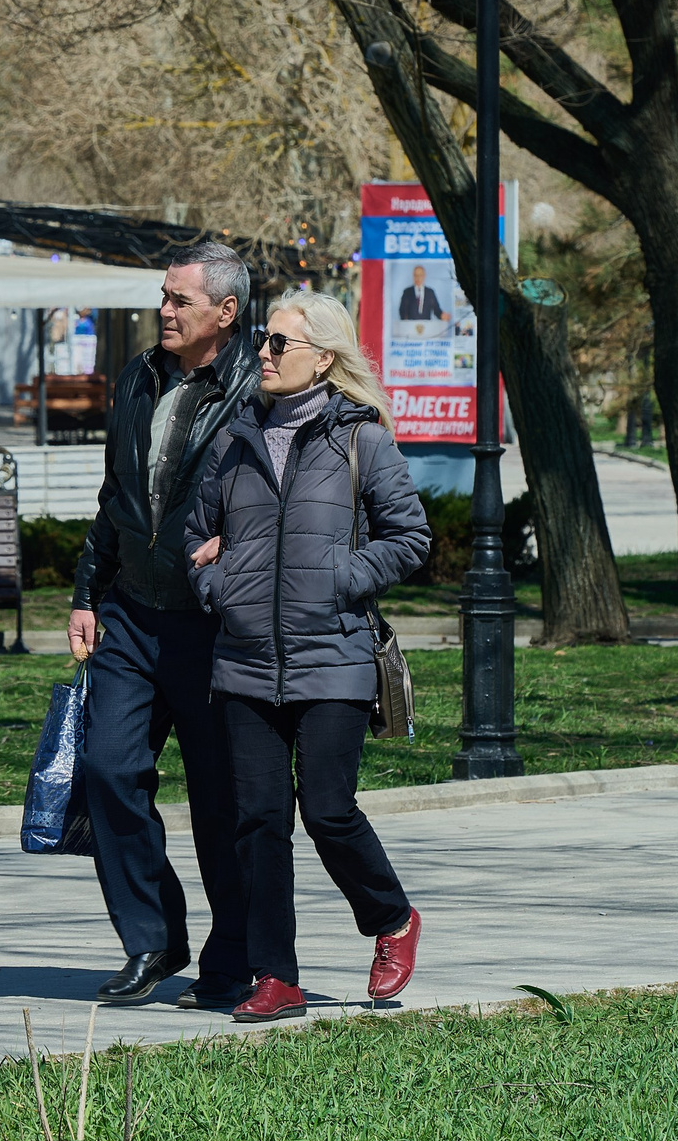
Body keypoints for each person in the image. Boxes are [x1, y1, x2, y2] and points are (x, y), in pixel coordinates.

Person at [186, 291, 430, 1021]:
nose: (263, 352)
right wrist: (216, 584)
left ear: (323, 357)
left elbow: (409, 537)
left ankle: (392, 919)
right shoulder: (233, 440)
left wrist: (342, 577)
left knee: (327, 810)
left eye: (278, 342)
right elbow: (193, 537)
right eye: (263, 340)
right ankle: (275, 976)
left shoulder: (362, 440)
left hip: (334, 656)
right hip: (245, 662)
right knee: (258, 820)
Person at [67, 241, 258, 1008]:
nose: (164, 309)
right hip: (132, 618)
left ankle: (230, 960)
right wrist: (87, 592)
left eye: (181, 299)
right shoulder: (140, 376)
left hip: (213, 625)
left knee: (221, 803)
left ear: (226, 311)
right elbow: (118, 496)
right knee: (107, 770)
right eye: (164, 295)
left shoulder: (255, 389)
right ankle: (154, 936)